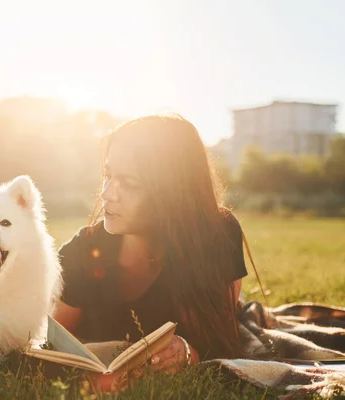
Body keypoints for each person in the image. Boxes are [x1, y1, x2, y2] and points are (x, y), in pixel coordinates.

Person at [54, 114, 247, 379]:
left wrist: (189, 352)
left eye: (130, 184)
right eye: (107, 175)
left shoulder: (215, 234)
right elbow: (48, 339)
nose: (107, 193)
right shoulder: (85, 249)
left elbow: (224, 340)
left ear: (173, 190)